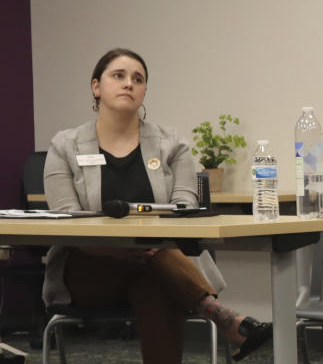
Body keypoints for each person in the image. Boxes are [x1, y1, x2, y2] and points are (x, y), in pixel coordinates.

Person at [43, 48, 273, 363]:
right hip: (89, 266)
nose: (128, 84)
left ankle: (215, 312)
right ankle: (218, 313)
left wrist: (146, 244)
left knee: (153, 287)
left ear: (144, 92)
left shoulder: (172, 145)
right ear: (96, 87)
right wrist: (115, 249)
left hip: (157, 259)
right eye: (118, 76)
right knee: (155, 267)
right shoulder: (64, 146)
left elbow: (184, 208)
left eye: (138, 79)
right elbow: (65, 220)